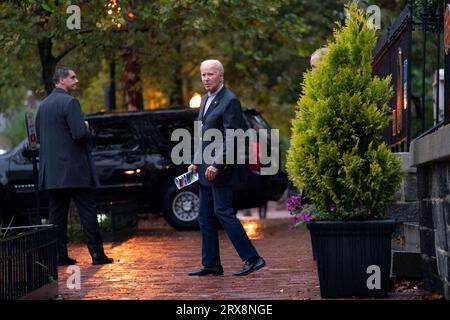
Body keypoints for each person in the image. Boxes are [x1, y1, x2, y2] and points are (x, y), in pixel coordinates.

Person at [188, 59, 265, 276]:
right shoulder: (204, 99)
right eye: (203, 74)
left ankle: (253, 258)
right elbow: (203, 135)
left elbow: (233, 137)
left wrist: (217, 163)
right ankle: (211, 263)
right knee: (204, 216)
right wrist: (196, 160)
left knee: (223, 212)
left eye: (210, 74)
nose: (206, 78)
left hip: (219, 170)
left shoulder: (230, 100)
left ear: (221, 76)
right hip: (204, 169)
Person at [35, 67, 113, 266]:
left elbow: (38, 134)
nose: (76, 81)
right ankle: (97, 254)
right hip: (75, 171)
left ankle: (58, 256)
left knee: (56, 217)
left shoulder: (42, 106)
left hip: (52, 173)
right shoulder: (70, 102)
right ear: (61, 80)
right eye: (73, 77)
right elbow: (79, 134)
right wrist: (88, 129)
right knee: (87, 212)